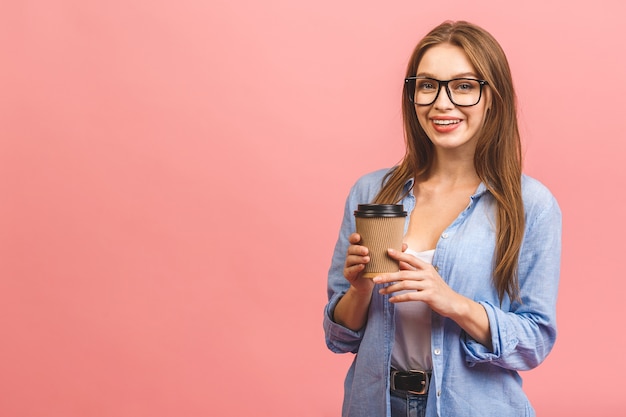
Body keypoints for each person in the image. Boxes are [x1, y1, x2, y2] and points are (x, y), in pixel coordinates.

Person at [323, 20, 561, 417]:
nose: (442, 103)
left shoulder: (530, 205)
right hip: (374, 405)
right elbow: (339, 337)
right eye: (428, 85)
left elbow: (534, 340)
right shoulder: (371, 193)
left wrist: (452, 302)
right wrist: (360, 288)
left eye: (464, 86)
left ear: (492, 98)